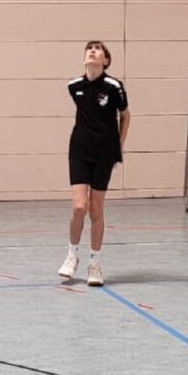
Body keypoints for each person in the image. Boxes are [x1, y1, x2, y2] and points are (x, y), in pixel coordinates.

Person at [58, 41, 130, 286]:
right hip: (79, 150)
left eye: (99, 49)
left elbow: (125, 116)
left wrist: (117, 146)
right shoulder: (73, 86)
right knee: (79, 207)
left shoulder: (114, 86)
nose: (93, 51)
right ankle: (71, 256)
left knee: (95, 210)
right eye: (90, 48)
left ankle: (95, 263)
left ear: (106, 61)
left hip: (104, 153)